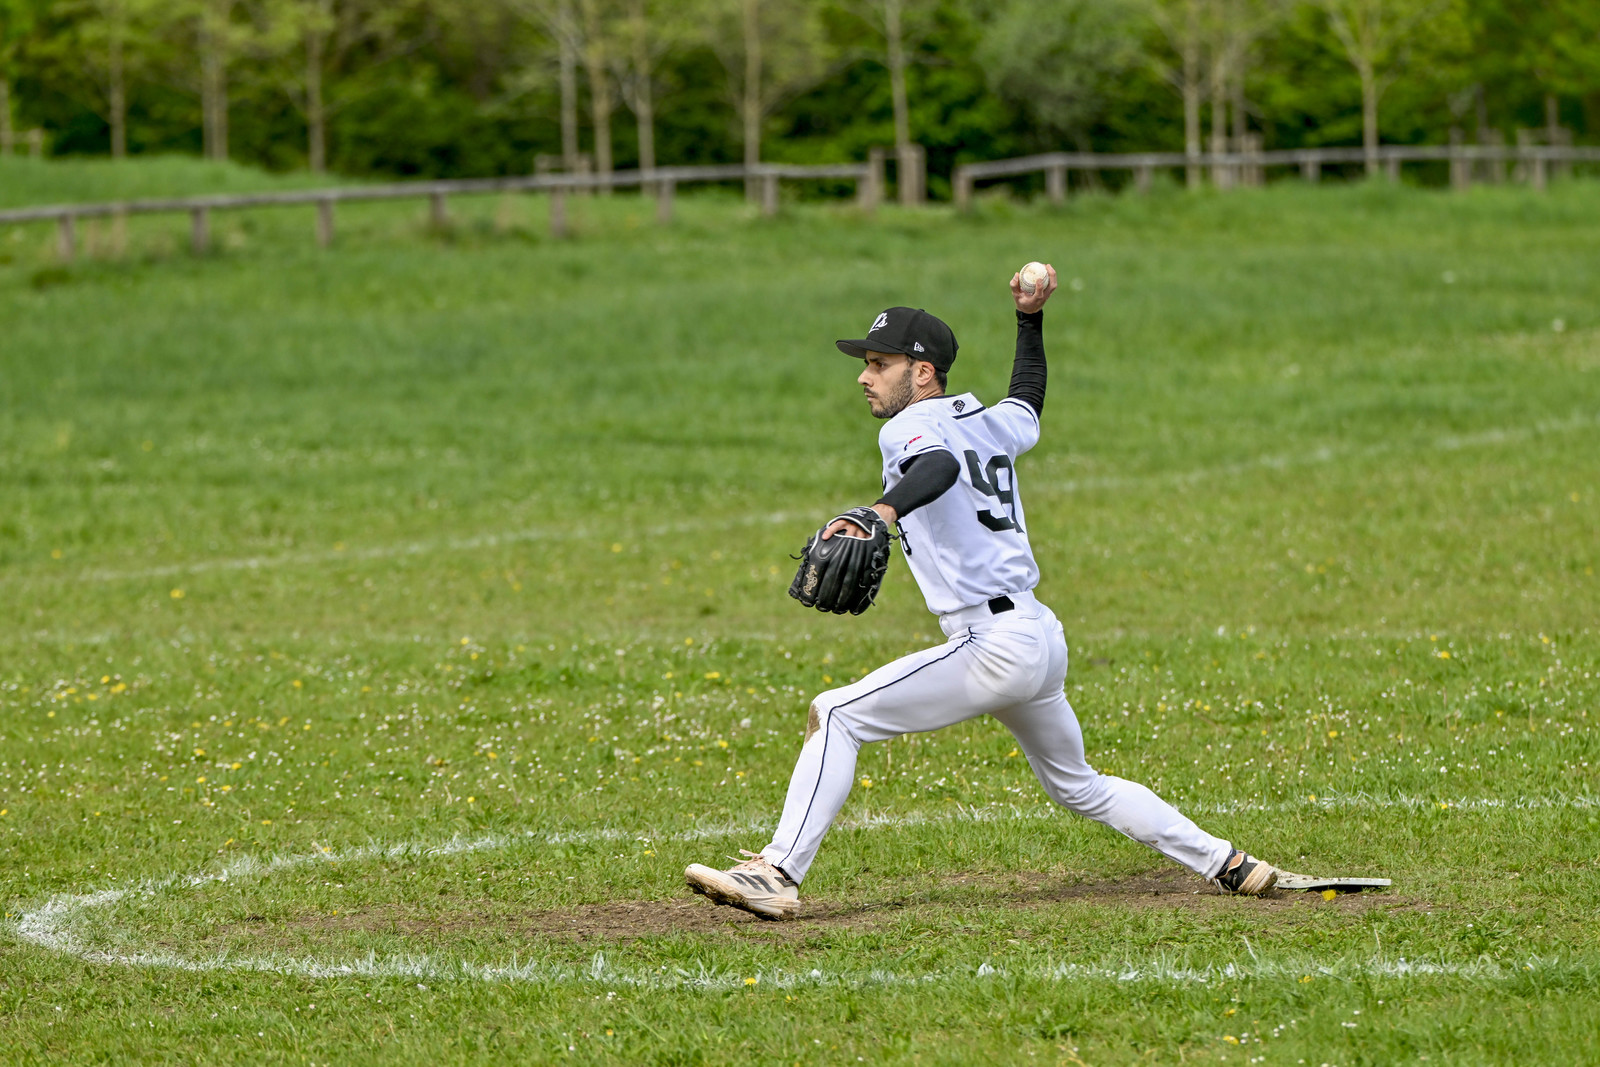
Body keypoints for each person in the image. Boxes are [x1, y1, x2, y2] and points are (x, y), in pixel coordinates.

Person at [685, 266, 1281, 919]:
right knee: (1080, 785)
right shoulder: (986, 421)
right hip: (1038, 636)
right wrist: (1030, 320)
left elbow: (937, 465)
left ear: (922, 372)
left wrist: (881, 511)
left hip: (991, 645)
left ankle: (776, 871)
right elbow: (1027, 397)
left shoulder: (906, 430)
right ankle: (1229, 862)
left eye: (880, 364)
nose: (864, 376)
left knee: (838, 714)